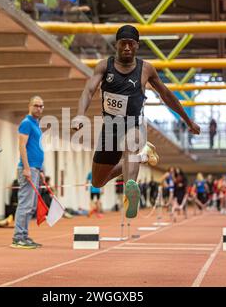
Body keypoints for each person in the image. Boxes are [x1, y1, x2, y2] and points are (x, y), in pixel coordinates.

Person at [72, 25, 200, 220]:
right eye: (123, 44)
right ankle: (142, 156)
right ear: (116, 44)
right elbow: (89, 90)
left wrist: (187, 120)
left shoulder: (146, 69)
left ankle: (130, 192)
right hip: (110, 129)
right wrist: (80, 114)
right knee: (98, 181)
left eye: (131, 44)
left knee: (131, 147)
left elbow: (166, 94)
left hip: (134, 124)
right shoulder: (104, 66)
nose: (127, 48)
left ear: (137, 46)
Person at [11, 96, 45, 249]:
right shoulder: (26, 123)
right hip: (28, 168)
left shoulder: (36, 125)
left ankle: (23, 235)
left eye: (41, 106)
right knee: (25, 204)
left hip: (35, 168)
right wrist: (26, 168)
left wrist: (40, 169)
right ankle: (18, 237)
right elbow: (22, 146)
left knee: (30, 205)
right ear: (29, 106)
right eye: (36, 105)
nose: (39, 108)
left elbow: (36, 148)